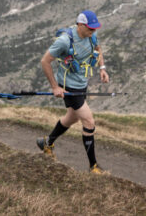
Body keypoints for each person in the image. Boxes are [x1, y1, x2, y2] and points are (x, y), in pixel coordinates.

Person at [36, 10, 110, 173]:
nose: (93, 31)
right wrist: (55, 87)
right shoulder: (64, 41)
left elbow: (98, 50)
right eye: (90, 28)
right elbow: (45, 61)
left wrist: (102, 68)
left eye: (95, 28)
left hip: (82, 84)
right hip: (69, 87)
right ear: (81, 25)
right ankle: (93, 167)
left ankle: (47, 142)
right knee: (89, 122)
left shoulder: (92, 36)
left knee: (71, 118)